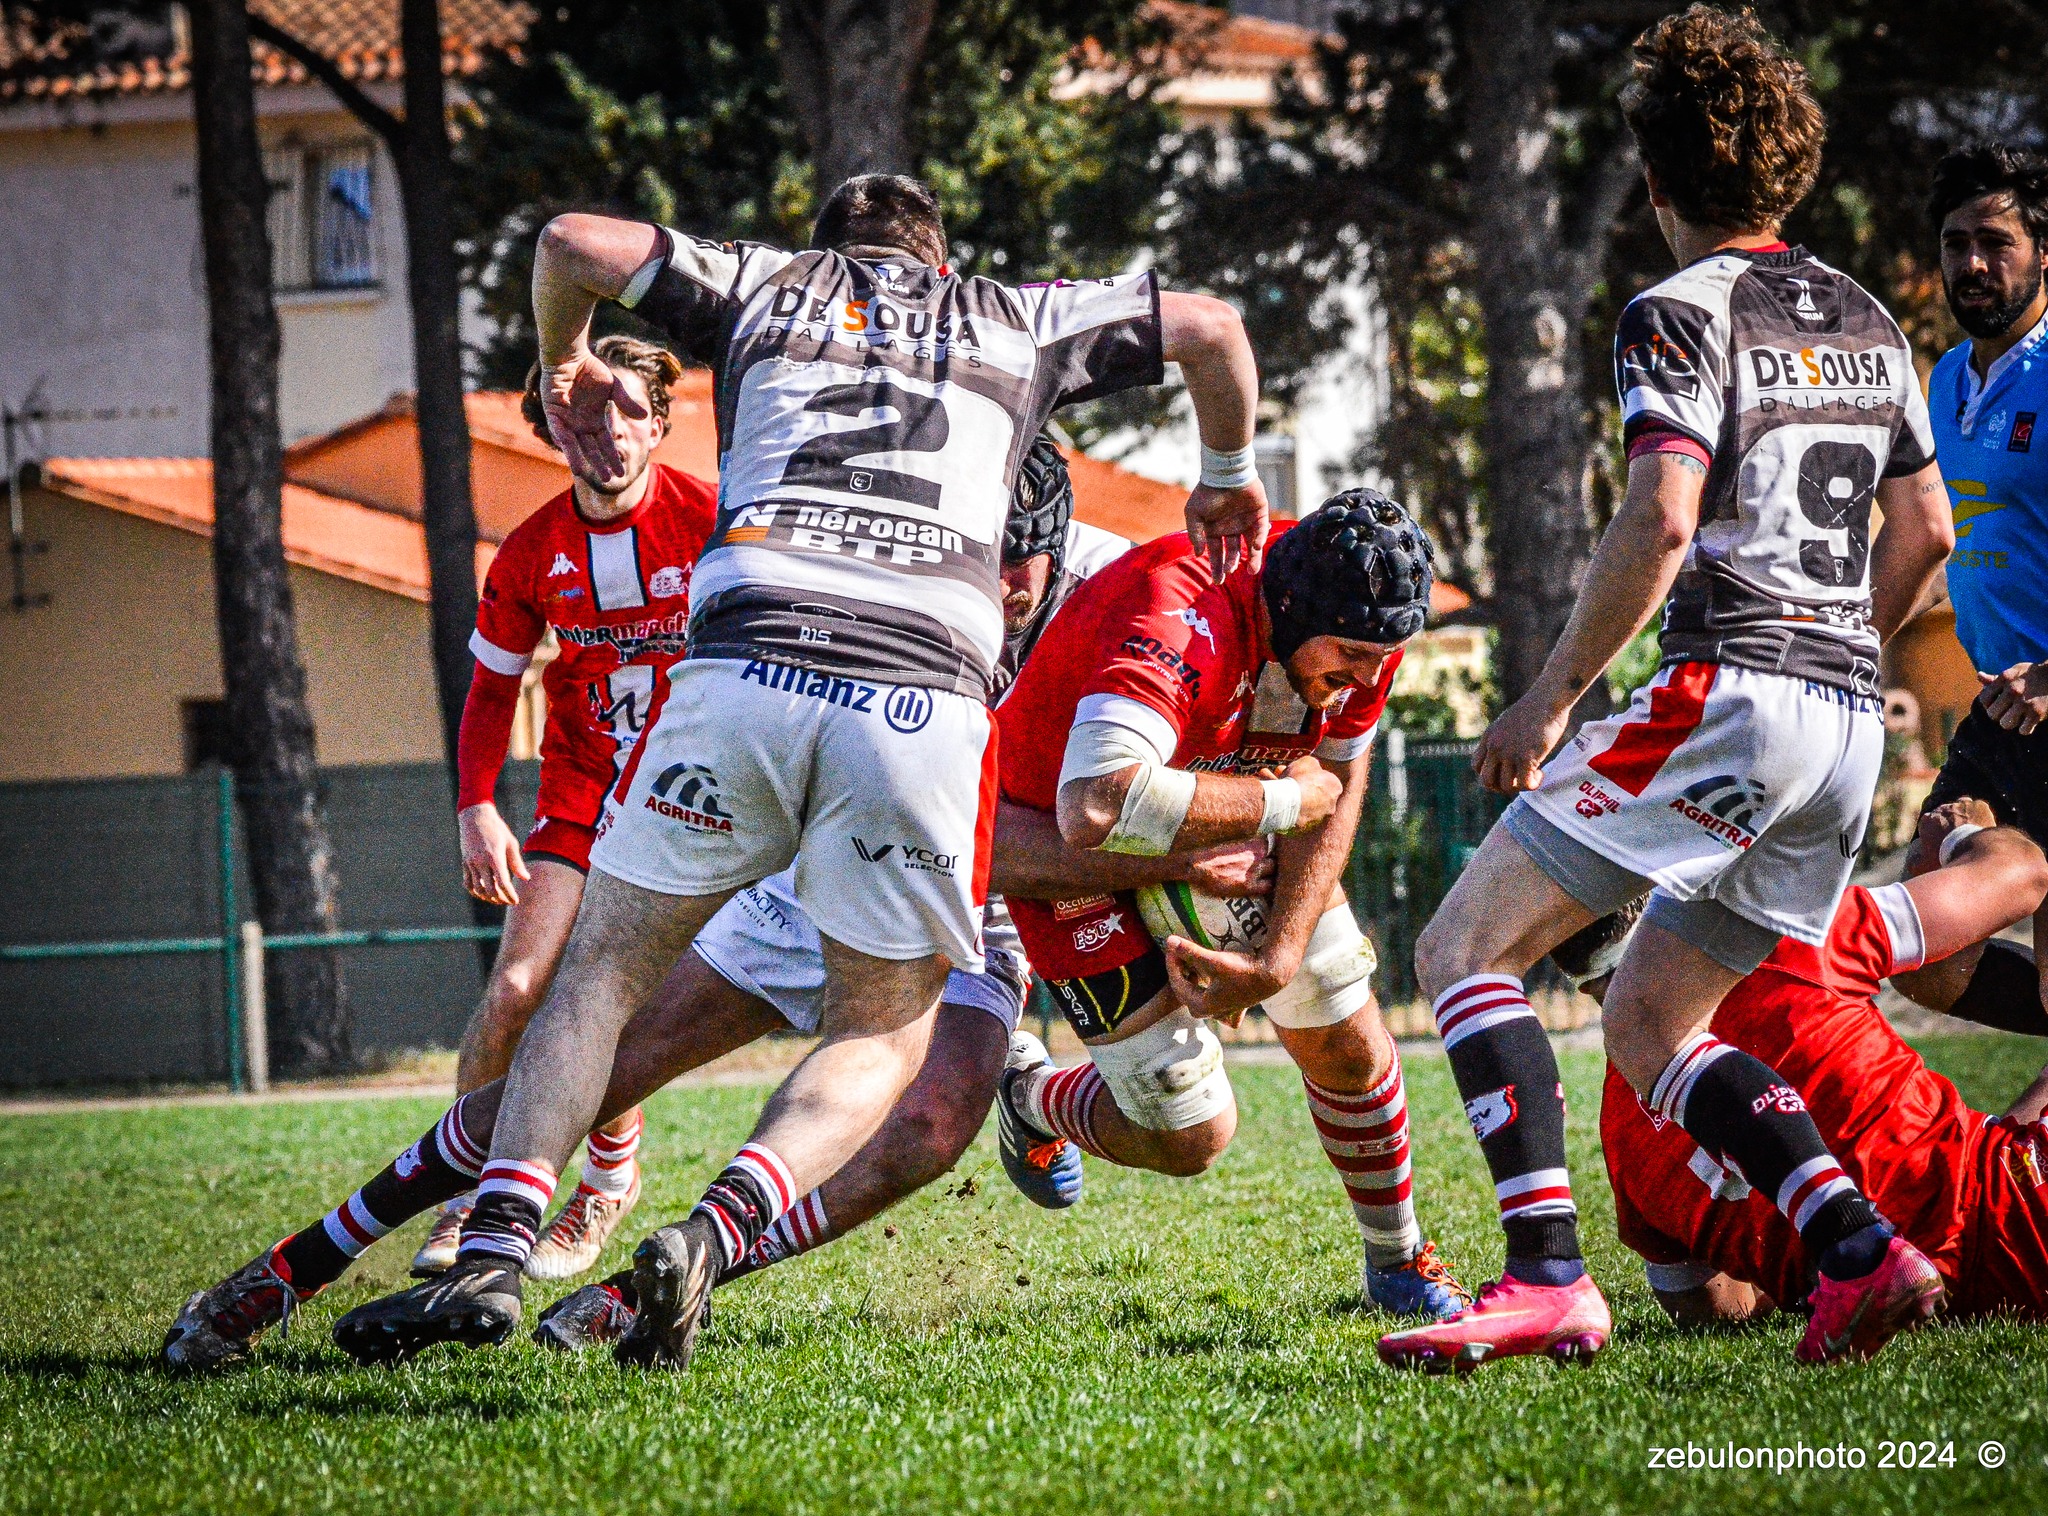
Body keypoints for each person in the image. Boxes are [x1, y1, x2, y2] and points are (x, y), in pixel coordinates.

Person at [159, 440, 1265, 1370]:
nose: (1004, 591)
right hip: (831, 843)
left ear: (1051, 535)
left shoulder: (1118, 593)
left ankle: (675, 1269)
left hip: (973, 887)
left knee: (932, 1120)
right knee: (599, 1065)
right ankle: (294, 1264)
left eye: (1020, 563)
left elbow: (1095, 803)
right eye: (984, 563)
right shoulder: (877, 565)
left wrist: (1197, 835)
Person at [1377, 7, 1956, 1373]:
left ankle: (1545, 1279)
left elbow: (1660, 519)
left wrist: (1551, 698)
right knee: (1649, 1024)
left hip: (1738, 688)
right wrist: (1837, 656)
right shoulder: (1871, 319)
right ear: (1790, 172)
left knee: (1462, 952)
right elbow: (1926, 526)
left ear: (1653, 182)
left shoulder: (1676, 311)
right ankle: (1865, 1257)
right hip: (1846, 723)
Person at [988, 490, 1470, 1320]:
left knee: (1347, 1037)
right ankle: (1032, 1097)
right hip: (1051, 852)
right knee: (1190, 1138)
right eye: (1351, 655)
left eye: (1379, 658)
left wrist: (1274, 960)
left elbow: (1341, 777)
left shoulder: (1366, 624)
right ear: (1289, 612)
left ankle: (1398, 1259)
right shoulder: (1179, 613)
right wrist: (1270, 812)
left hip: (1219, 827)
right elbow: (1094, 808)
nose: (1365, 676)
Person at [418, 336, 718, 1281]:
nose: (609, 432)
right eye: (585, 415)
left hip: (696, 805)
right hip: (581, 796)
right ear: (554, 427)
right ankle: (470, 1200)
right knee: (515, 993)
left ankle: (603, 1186)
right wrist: (475, 806)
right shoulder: (532, 551)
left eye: (630, 410)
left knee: (607, 1005)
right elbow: (491, 689)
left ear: (662, 424)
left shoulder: (712, 524)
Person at [1584, 798, 2048, 1327]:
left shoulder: (1620, 1133)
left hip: (1921, 1296)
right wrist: (1963, 836)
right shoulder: (1791, 942)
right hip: (2020, 1213)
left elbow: (1709, 1306)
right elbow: (2024, 873)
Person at [1899, 141, 2048, 1031]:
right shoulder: (1947, 380)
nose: (1973, 264)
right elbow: (1928, 544)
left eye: (1996, 242)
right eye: (1957, 243)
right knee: (1922, 954)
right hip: (1994, 717)